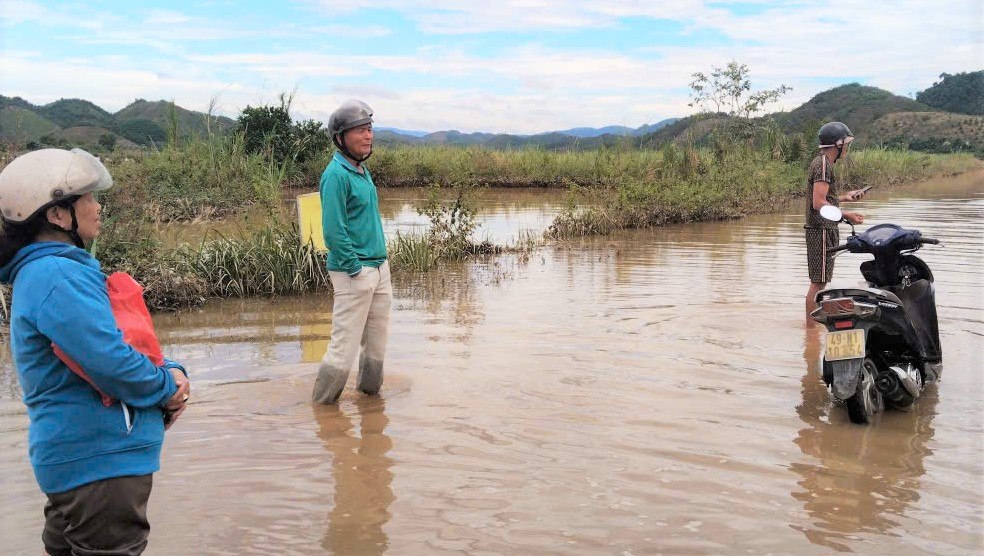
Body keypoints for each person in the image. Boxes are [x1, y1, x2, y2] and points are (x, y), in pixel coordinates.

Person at [0, 148, 190, 556]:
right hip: (100, 464)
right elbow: (110, 361)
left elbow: (118, 343)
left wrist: (169, 369)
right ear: (57, 214)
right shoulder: (57, 274)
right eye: (87, 198)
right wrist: (166, 388)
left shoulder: (53, 271)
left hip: (83, 462)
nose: (97, 206)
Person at [312, 100, 392, 404]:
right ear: (341, 137)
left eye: (370, 129)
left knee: (376, 345)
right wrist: (356, 269)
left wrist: (378, 267)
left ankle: (371, 403)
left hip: (379, 269)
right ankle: (322, 408)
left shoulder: (361, 170)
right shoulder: (336, 175)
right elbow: (333, 231)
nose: (368, 136)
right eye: (360, 130)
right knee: (343, 347)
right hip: (352, 271)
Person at [804, 121, 868, 325]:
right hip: (821, 229)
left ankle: (811, 330)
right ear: (838, 145)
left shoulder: (822, 163)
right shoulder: (824, 165)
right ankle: (811, 332)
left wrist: (844, 198)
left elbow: (824, 199)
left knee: (820, 282)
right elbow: (818, 203)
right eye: (846, 144)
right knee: (818, 284)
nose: (847, 148)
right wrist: (846, 215)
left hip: (823, 229)